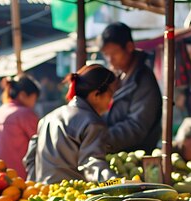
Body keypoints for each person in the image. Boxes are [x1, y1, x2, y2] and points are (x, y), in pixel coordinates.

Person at [24, 64, 118, 183]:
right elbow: (92, 165)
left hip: (43, 194)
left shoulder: (47, 118)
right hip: (72, 196)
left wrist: (36, 188)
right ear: (96, 95)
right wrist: (117, 182)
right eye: (110, 95)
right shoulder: (93, 123)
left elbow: (30, 158)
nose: (111, 100)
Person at [100, 22, 162, 154]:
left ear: (129, 47)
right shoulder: (119, 77)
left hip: (135, 157)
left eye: (114, 53)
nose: (110, 60)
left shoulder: (143, 80)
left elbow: (136, 126)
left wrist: (101, 139)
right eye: (106, 55)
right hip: (116, 153)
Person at [0, 75, 40, 178]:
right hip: (16, 181)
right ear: (23, 95)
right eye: (34, 99)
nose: (34, 104)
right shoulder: (25, 114)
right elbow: (41, 144)